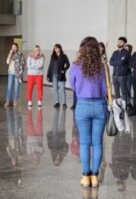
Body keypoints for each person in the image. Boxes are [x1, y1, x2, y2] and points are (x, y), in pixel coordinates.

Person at [68, 36, 108, 188]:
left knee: (84, 142)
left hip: (82, 105)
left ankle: (86, 177)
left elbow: (73, 85)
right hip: (99, 106)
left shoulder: (76, 66)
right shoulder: (102, 66)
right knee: (97, 143)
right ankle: (95, 177)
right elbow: (105, 89)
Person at [109, 37, 131, 110]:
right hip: (114, 75)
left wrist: (117, 62)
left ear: (124, 43)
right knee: (116, 92)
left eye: (121, 42)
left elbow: (122, 62)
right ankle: (118, 107)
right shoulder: (115, 52)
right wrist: (118, 61)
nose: (119, 43)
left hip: (122, 76)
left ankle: (124, 108)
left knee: (124, 92)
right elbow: (111, 62)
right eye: (118, 41)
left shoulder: (126, 53)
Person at [47, 44, 71, 108]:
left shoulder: (64, 56)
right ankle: (57, 102)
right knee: (55, 89)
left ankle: (64, 103)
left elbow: (68, 64)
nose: (56, 49)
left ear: (60, 48)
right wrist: (48, 74)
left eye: (57, 48)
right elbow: (50, 66)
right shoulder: (53, 56)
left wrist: (64, 70)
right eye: (55, 48)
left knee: (62, 89)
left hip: (61, 75)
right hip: (53, 75)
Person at [5, 43, 25, 107]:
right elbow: (7, 62)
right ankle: (7, 101)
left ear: (17, 47)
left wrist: (21, 71)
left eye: (14, 47)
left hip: (17, 73)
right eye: (12, 47)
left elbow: (23, 62)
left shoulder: (20, 54)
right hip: (10, 72)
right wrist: (10, 54)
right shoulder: (10, 54)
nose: (13, 48)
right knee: (9, 87)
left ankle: (15, 101)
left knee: (16, 87)